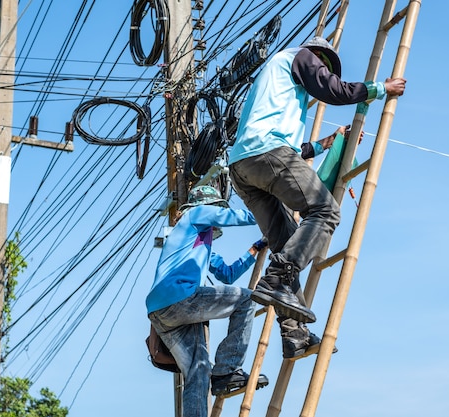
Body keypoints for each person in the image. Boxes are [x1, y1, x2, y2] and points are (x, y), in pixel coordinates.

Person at [228, 36, 407, 358]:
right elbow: (332, 90)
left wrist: (328, 143)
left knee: (285, 244)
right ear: (318, 56)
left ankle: (294, 335)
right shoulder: (301, 57)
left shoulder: (274, 88)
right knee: (324, 211)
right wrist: (380, 88)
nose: (323, 71)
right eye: (324, 66)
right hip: (268, 153)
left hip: (244, 166)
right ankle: (277, 281)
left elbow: (295, 152)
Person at [146, 185, 268, 417]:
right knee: (246, 300)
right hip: (180, 298)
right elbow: (232, 216)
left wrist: (254, 250)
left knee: (198, 371)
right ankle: (227, 370)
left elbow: (226, 274)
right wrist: (269, 212)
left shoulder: (198, 243)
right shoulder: (194, 214)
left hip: (160, 311)